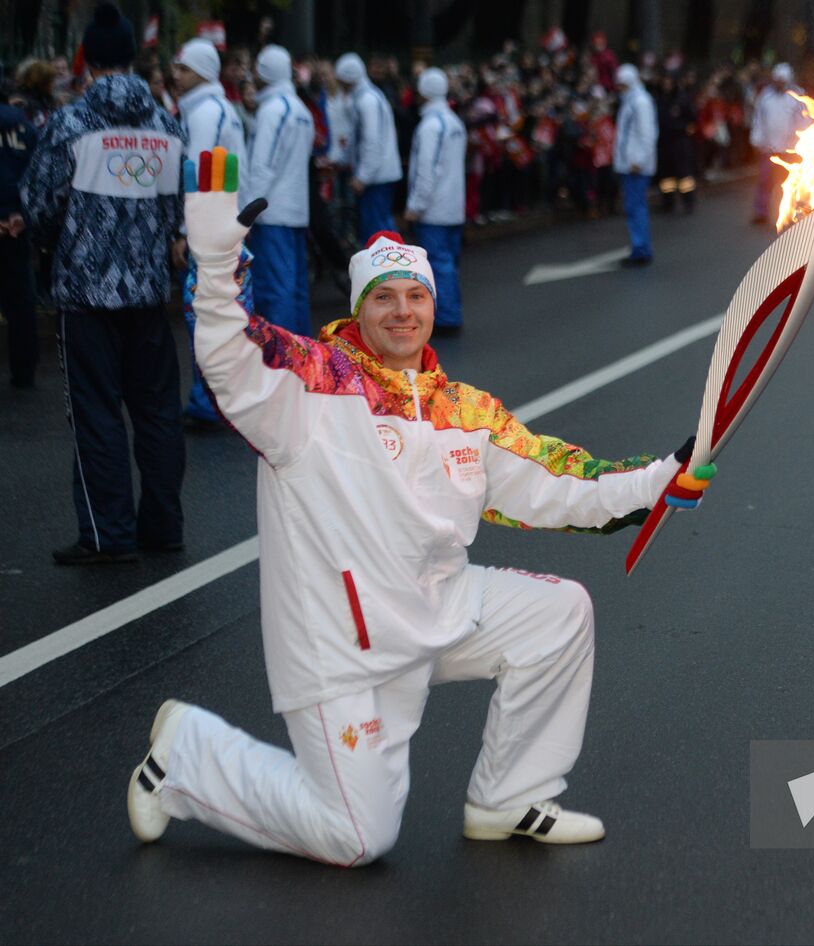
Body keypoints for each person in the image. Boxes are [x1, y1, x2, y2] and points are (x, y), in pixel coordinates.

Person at [125, 150, 716, 864]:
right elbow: (227, 354)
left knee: (560, 614)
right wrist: (217, 267)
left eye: (416, 295)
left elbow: (564, 483)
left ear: (433, 305)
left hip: (438, 612)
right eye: (384, 297)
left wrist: (660, 481)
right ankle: (188, 756)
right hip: (342, 645)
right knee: (357, 838)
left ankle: (508, 798)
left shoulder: (465, 412)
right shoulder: (309, 388)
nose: (402, 310)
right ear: (360, 308)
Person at [19, 2, 187, 564]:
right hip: (148, 295)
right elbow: (180, 207)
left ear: (86, 59)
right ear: (135, 57)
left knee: (95, 415)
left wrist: (54, 245)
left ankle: (107, 534)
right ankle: (162, 526)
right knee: (157, 413)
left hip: (85, 297)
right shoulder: (168, 124)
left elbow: (39, 205)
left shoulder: (70, 124)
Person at [172, 37, 246, 426]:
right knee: (217, 313)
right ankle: (218, 399)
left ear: (200, 72)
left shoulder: (206, 113)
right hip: (222, 226)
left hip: (211, 230)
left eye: (183, 69)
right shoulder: (214, 108)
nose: (176, 75)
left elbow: (197, 175)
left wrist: (186, 230)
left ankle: (209, 403)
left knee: (204, 314)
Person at [242, 45, 314, 337]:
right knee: (295, 289)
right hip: (296, 211)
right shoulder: (300, 110)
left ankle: (282, 360)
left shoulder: (273, 110)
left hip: (272, 215)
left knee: (276, 291)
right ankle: (303, 359)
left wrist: (246, 214)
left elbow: (262, 167)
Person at [403, 68, 466, 331]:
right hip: (454, 206)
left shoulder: (430, 126)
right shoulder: (454, 122)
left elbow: (425, 172)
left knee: (439, 264)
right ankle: (449, 313)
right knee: (449, 262)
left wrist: (415, 206)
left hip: (434, 209)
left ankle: (447, 318)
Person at [334, 52, 403, 244]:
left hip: (376, 179)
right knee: (380, 230)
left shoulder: (367, 101)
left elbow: (371, 142)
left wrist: (362, 177)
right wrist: (342, 161)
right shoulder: (368, 97)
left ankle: (388, 271)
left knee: (378, 234)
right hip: (379, 175)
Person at [0, 100, 38, 387]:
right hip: (16, 225)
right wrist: (22, 214)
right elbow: (37, 173)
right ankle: (24, 372)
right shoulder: (23, 125)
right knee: (21, 302)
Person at [748, 63, 805, 226]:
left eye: (783, 80)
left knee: (791, 182)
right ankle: (761, 212)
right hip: (770, 148)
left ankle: (792, 213)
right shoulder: (765, 97)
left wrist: (801, 143)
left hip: (790, 149)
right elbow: (758, 120)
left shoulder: (797, 96)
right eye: (777, 80)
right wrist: (757, 140)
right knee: (765, 181)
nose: (780, 83)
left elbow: (804, 120)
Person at [613, 63, 656, 267]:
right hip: (629, 164)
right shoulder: (630, 101)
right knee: (633, 207)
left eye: (621, 84)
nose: (618, 88)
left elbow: (648, 135)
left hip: (636, 166)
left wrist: (638, 161)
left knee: (636, 207)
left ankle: (641, 250)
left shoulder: (640, 102)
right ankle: (640, 247)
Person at [655, 72, 699, 214]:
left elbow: (692, 119)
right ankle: (668, 201)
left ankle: (688, 201)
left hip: (680, 143)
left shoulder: (682, 99)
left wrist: (685, 129)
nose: (667, 85)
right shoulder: (660, 100)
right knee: (666, 176)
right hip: (664, 142)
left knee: (684, 175)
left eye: (669, 82)